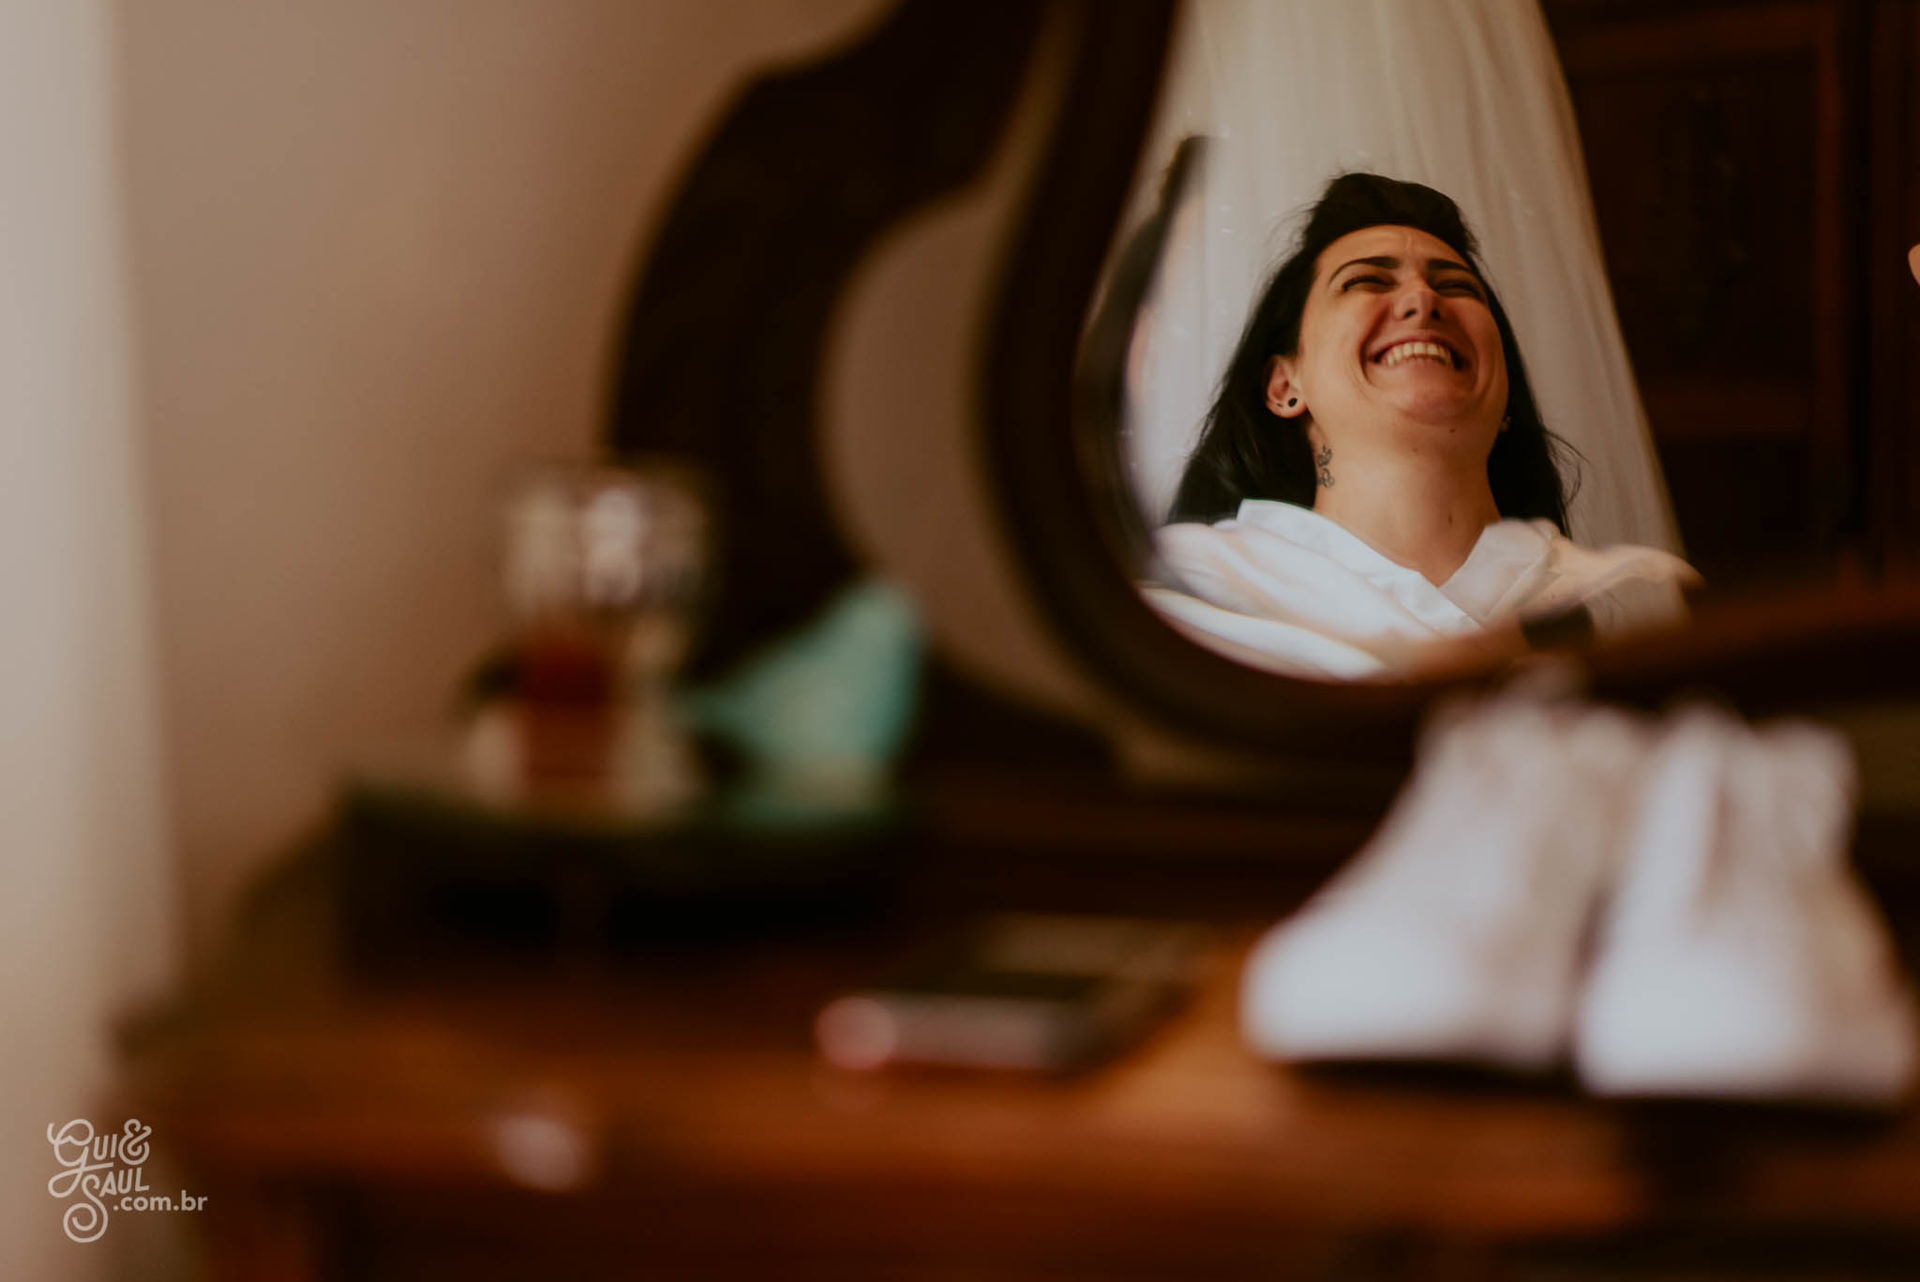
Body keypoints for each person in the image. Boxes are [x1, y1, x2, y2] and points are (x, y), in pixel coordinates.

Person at [1145, 172, 1697, 680]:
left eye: (1457, 287)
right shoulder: (1184, 597)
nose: (1422, 299)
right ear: (1284, 386)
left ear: (1506, 389)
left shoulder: (1638, 603)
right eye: (1367, 280)